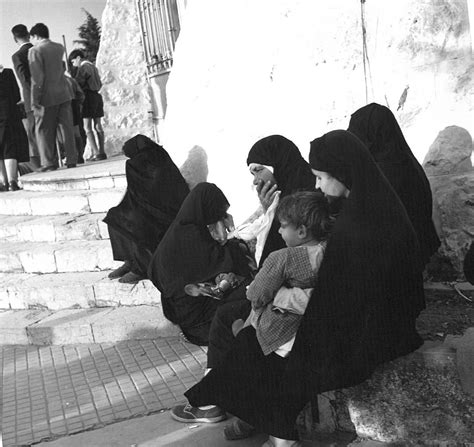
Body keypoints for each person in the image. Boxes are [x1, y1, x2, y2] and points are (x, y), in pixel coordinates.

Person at [182, 130, 425, 447]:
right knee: (254, 337)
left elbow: (344, 290)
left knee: (263, 343)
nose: (319, 186)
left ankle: (271, 426)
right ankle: (263, 421)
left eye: (322, 177)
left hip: (377, 328)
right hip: (357, 313)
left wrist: (282, 300)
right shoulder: (361, 205)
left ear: (343, 172)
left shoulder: (364, 219)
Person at [169, 135, 316, 433]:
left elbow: (279, 256)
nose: (256, 180)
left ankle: (221, 402)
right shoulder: (282, 197)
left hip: (288, 297)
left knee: (229, 318)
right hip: (277, 289)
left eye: (259, 170)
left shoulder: (302, 201)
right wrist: (267, 210)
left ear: (276, 166)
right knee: (229, 313)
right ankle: (225, 401)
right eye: (252, 173)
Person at [147, 182, 253, 346]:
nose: (222, 216)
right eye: (219, 213)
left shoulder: (179, 231)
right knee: (251, 286)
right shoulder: (192, 238)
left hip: (187, 322)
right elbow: (233, 259)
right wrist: (231, 230)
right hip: (205, 327)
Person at [236, 191, 331, 358]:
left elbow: (256, 294)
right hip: (312, 327)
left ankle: (243, 336)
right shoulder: (329, 248)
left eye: (283, 225)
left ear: (301, 231)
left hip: (281, 334)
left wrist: (253, 293)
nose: (279, 231)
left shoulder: (282, 257)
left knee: (254, 310)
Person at [347, 103, 440, 266]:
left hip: (395, 260)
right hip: (416, 251)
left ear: (369, 133)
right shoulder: (406, 161)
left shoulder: (383, 172)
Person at [103, 134, 189, 283]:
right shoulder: (150, 157)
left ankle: (142, 269)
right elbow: (135, 193)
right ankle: (130, 261)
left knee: (137, 222)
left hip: (168, 212)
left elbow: (158, 191)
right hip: (150, 208)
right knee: (116, 215)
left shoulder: (149, 160)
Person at [28, 23, 76, 171]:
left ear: (36, 36)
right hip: (64, 92)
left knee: (43, 129)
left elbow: (37, 78)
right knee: (66, 128)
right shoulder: (59, 47)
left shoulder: (35, 50)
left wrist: (34, 98)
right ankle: (72, 159)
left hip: (46, 96)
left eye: (32, 38)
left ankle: (48, 162)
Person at [11, 24, 40, 171]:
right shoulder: (40, 50)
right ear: (28, 34)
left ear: (15, 39)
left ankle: (40, 165)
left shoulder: (17, 56)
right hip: (50, 95)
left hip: (32, 99)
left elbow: (24, 80)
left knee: (34, 133)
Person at [68, 49, 106, 162]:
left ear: (79, 58)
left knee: (87, 127)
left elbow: (78, 83)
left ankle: (96, 152)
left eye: (73, 61)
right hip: (97, 96)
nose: (73, 64)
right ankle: (102, 151)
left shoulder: (83, 67)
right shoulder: (93, 66)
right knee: (98, 125)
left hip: (88, 97)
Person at [0, 64, 29, 191]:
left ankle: (3, 182)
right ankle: (12, 182)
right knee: (9, 147)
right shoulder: (7, 73)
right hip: (8, 113)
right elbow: (17, 95)